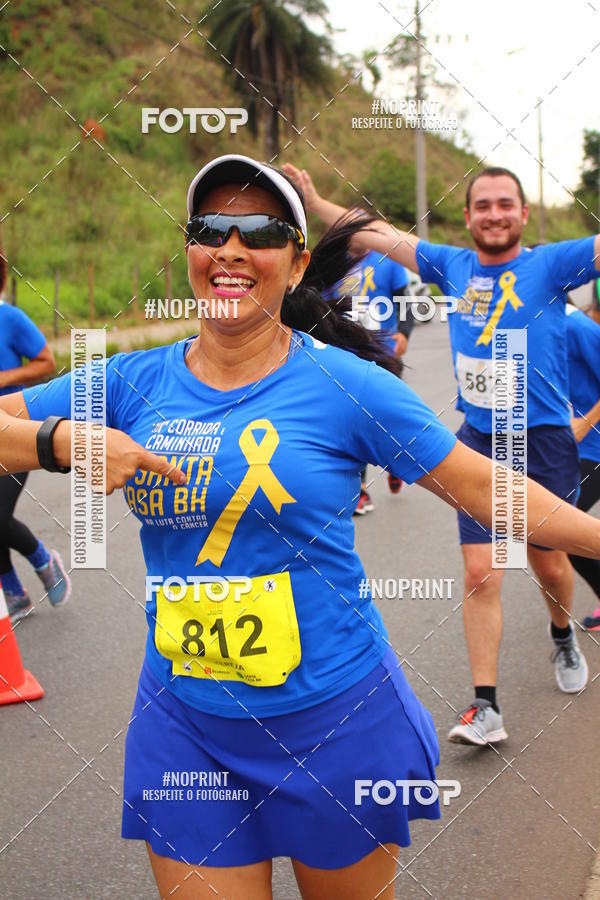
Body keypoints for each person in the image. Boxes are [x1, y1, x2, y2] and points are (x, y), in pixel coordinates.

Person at [2, 155, 600, 899]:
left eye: (258, 231)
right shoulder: (130, 381)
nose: (230, 246)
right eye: (210, 228)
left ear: (295, 262)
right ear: (188, 249)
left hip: (334, 724)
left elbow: (486, 488)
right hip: (186, 723)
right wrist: (63, 440)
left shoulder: (343, 386)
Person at [283, 162, 600, 746]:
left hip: (545, 441)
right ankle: (486, 708)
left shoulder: (551, 263)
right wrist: (316, 200)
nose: (495, 214)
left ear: (524, 214)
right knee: (481, 573)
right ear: (468, 216)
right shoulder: (452, 264)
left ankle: (561, 632)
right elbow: (372, 233)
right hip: (480, 439)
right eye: (483, 204)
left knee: (548, 562)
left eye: (506, 204)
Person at [0, 255, 71, 622]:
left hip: (14, 431)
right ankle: (15, 594)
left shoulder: (8, 318)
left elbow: (45, 361)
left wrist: (3, 379)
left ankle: (44, 561)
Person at [326, 247, 414, 513]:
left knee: (389, 417)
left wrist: (404, 333)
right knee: (354, 417)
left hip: (385, 352)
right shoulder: (334, 265)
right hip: (349, 355)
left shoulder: (389, 262)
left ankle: (395, 462)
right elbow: (321, 309)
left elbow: (405, 303)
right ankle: (360, 489)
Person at [565, 303, 600, 630]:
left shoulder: (578, 327)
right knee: (562, 528)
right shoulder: (534, 324)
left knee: (563, 524)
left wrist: (585, 424)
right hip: (566, 448)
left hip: (595, 446)